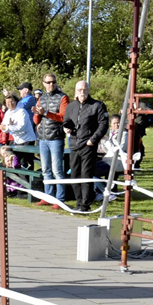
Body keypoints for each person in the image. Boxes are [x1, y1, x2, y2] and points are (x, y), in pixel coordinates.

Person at [61, 81, 108, 212]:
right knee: (75, 175)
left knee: (86, 175)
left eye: (84, 89)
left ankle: (85, 205)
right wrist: (66, 128)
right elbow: (66, 121)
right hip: (74, 144)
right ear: (75, 91)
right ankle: (78, 202)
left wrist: (93, 140)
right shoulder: (71, 106)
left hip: (88, 145)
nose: (82, 92)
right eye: (79, 90)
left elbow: (103, 125)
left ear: (88, 90)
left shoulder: (97, 105)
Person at [33, 74, 69, 206]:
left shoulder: (62, 97)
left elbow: (64, 117)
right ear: (43, 84)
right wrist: (37, 114)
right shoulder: (41, 98)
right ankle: (48, 197)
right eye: (48, 82)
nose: (51, 85)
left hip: (56, 138)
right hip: (43, 138)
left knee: (57, 170)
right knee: (46, 170)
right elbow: (36, 120)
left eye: (53, 82)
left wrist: (46, 113)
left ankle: (59, 199)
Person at [0, 93, 37, 169]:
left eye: (12, 102)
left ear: (16, 102)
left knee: (26, 162)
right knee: (17, 161)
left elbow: (21, 127)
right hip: (17, 140)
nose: (10, 104)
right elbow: (4, 127)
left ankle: (28, 179)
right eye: (8, 103)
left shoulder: (22, 112)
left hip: (28, 139)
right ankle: (19, 179)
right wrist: (3, 127)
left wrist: (8, 127)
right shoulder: (7, 113)